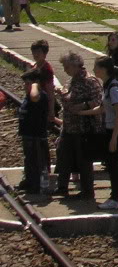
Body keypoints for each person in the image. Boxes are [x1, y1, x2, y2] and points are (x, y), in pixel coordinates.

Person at [85, 56, 118, 210]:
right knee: (115, 161)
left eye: (96, 67)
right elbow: (102, 109)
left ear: (103, 69)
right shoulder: (107, 86)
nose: (94, 70)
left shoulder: (114, 88)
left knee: (112, 163)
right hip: (111, 128)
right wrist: (81, 112)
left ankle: (116, 198)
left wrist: (114, 138)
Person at [55, 52, 102, 200]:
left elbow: (99, 100)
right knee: (64, 156)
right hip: (69, 126)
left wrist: (83, 106)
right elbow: (69, 98)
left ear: (76, 65)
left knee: (84, 161)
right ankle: (62, 187)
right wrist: (62, 94)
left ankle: (87, 191)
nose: (65, 70)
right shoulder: (72, 81)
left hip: (83, 128)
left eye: (67, 66)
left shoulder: (89, 81)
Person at [31, 39, 58, 192]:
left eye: (38, 52)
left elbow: (50, 91)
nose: (35, 55)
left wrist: (51, 111)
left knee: (42, 139)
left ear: (45, 53)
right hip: (36, 108)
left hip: (43, 107)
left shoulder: (46, 69)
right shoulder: (36, 66)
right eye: (34, 52)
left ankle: (45, 168)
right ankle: (40, 166)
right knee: (38, 139)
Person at [16, 69, 48, 195]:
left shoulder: (39, 95)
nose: (25, 86)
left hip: (36, 136)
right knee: (29, 160)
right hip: (28, 135)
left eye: (28, 83)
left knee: (36, 162)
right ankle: (29, 182)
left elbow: (34, 97)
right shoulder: (28, 96)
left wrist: (34, 85)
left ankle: (36, 185)